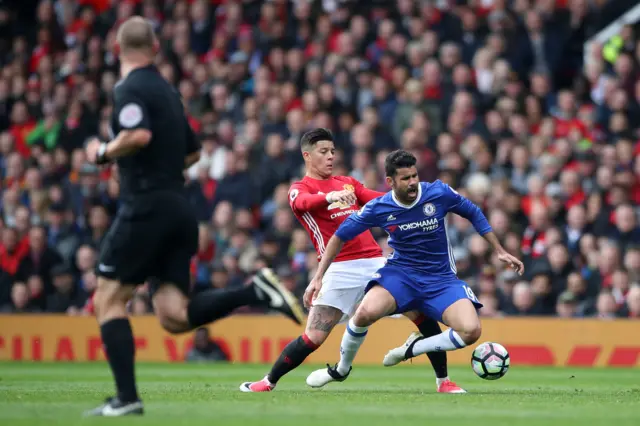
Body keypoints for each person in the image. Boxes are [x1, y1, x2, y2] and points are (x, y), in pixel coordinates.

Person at [83, 17, 303, 417]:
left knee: (108, 299)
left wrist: (101, 152)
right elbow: (193, 152)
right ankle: (255, 292)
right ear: (155, 46)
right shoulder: (167, 92)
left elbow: (137, 136)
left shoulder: (131, 88)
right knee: (173, 316)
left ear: (118, 50)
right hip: (179, 209)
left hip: (146, 207)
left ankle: (126, 399)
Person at [240, 129, 465, 394]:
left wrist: (416, 198)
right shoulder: (300, 189)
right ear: (307, 156)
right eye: (323, 152)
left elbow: (382, 201)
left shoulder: (348, 183)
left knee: (420, 313)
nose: (330, 156)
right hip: (338, 269)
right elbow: (302, 203)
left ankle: (443, 382)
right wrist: (329, 197)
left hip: (374, 262)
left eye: (332, 151)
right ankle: (268, 382)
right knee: (314, 336)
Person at [305, 150, 524, 385]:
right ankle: (341, 369)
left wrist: (499, 250)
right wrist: (319, 276)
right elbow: (339, 236)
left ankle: (414, 348)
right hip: (401, 275)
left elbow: (472, 211)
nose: (412, 183)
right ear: (390, 182)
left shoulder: (438, 193)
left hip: (440, 279)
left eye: (414, 176)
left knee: (472, 331)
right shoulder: (379, 207)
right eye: (405, 178)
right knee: (364, 314)